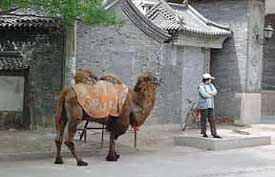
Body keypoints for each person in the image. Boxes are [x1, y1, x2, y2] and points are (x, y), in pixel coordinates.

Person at [198, 73, 222, 138]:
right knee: (203, 119)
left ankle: (214, 133)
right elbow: (204, 95)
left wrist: (209, 93)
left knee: (212, 119)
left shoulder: (211, 85)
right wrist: (211, 94)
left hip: (211, 105)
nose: (210, 81)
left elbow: (215, 92)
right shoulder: (201, 86)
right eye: (210, 79)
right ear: (207, 80)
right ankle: (204, 132)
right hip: (204, 106)